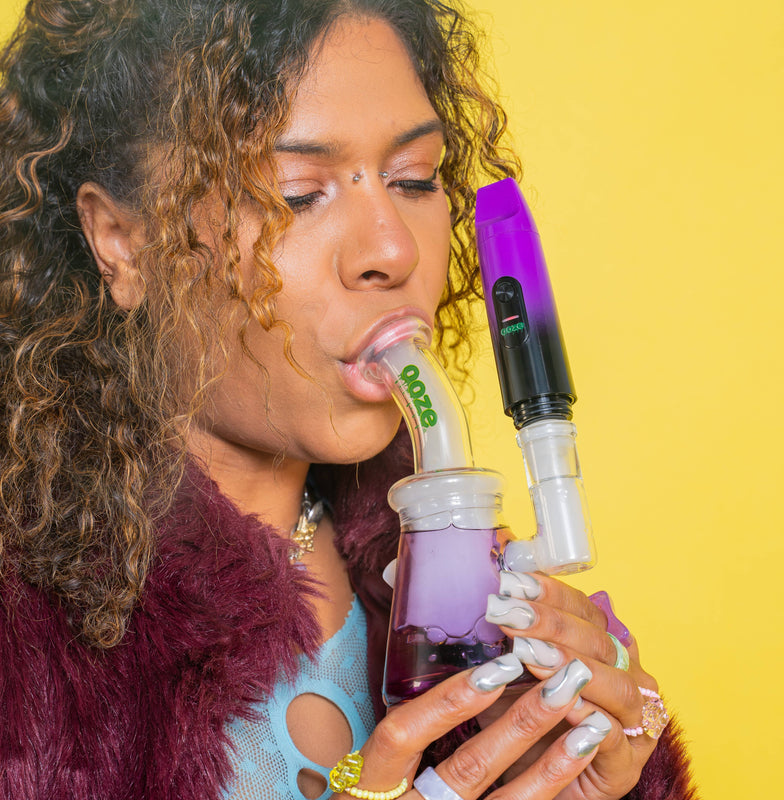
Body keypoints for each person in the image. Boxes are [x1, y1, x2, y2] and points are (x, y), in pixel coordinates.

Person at [0, 1, 696, 799]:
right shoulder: (22, 641)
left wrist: (586, 779)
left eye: (415, 180)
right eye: (298, 194)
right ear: (121, 241)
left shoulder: (448, 592)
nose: (393, 249)